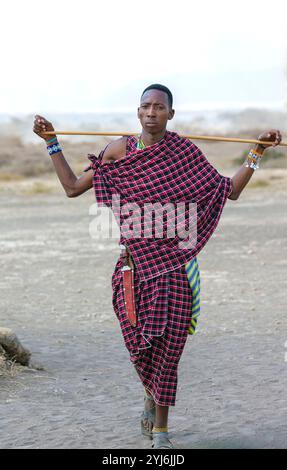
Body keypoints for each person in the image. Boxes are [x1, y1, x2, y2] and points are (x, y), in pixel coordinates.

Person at [33, 84, 282, 449]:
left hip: (174, 269)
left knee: (169, 349)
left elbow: (228, 190)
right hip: (132, 271)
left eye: (159, 107)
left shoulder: (183, 152)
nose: (152, 112)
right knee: (139, 347)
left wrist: (256, 151)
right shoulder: (118, 150)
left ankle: (161, 433)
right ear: (138, 112)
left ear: (170, 114)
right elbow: (72, 188)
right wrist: (51, 142)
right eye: (146, 106)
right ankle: (151, 394)